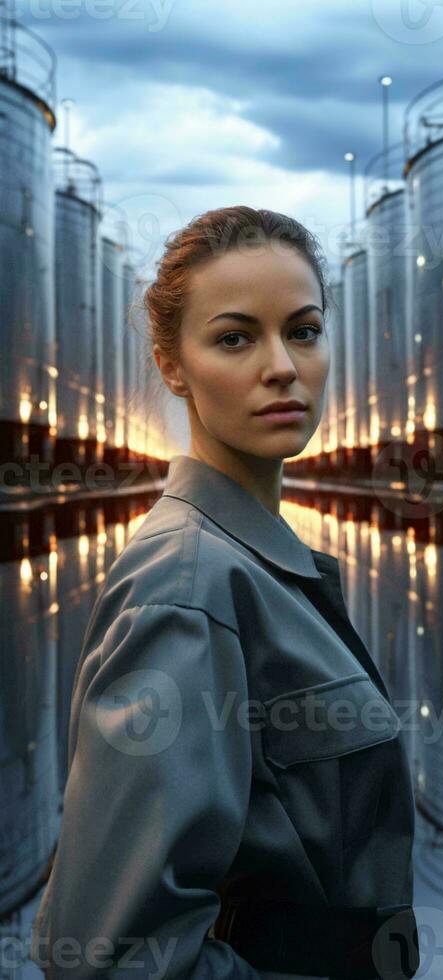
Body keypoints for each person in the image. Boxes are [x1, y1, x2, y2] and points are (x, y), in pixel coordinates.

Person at [29, 206, 419, 980]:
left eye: (302, 330)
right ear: (173, 365)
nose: (282, 366)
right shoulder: (185, 588)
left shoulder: (258, 564)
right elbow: (112, 960)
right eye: (235, 338)